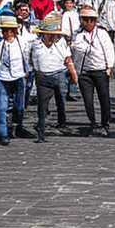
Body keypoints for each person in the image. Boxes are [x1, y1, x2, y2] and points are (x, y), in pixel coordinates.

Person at [30, 14, 77, 142]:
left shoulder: (61, 42)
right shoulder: (35, 44)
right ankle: (41, 132)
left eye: (54, 34)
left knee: (61, 100)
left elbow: (68, 59)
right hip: (43, 77)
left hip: (59, 74)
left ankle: (62, 122)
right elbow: (31, 61)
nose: (52, 37)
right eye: (49, 34)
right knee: (42, 105)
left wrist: (73, 75)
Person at [71, 6, 115, 137]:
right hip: (84, 71)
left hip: (100, 70)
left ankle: (105, 124)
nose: (89, 23)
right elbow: (75, 50)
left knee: (104, 98)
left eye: (92, 20)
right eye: (86, 20)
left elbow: (109, 50)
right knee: (88, 100)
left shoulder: (102, 33)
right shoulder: (77, 34)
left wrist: (109, 66)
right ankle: (93, 123)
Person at [0, 12, 32, 142]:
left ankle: (17, 126)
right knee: (1, 106)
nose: (8, 33)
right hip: (2, 77)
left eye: (10, 30)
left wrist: (27, 70)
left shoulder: (22, 42)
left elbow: (28, 55)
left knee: (19, 106)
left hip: (19, 76)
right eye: (5, 30)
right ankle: (2, 133)